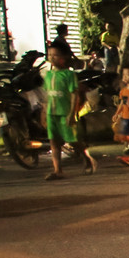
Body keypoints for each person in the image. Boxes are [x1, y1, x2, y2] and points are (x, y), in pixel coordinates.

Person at [41, 44, 95, 179]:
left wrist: (71, 113)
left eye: (56, 55)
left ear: (64, 58)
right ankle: (57, 170)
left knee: (72, 140)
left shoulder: (68, 74)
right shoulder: (48, 75)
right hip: (51, 113)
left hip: (64, 112)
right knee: (54, 141)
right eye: (50, 55)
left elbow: (74, 95)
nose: (52, 58)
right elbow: (46, 95)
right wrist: (43, 112)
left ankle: (87, 158)